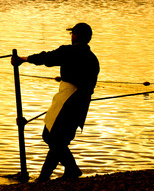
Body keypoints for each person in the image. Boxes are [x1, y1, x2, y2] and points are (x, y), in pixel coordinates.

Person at [11, 23, 100, 181]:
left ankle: (46, 177)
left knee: (54, 137)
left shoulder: (69, 51)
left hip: (69, 98)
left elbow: (47, 58)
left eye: (72, 33)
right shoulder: (93, 59)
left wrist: (23, 59)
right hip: (81, 101)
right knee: (55, 137)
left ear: (76, 36)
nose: (71, 36)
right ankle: (70, 170)